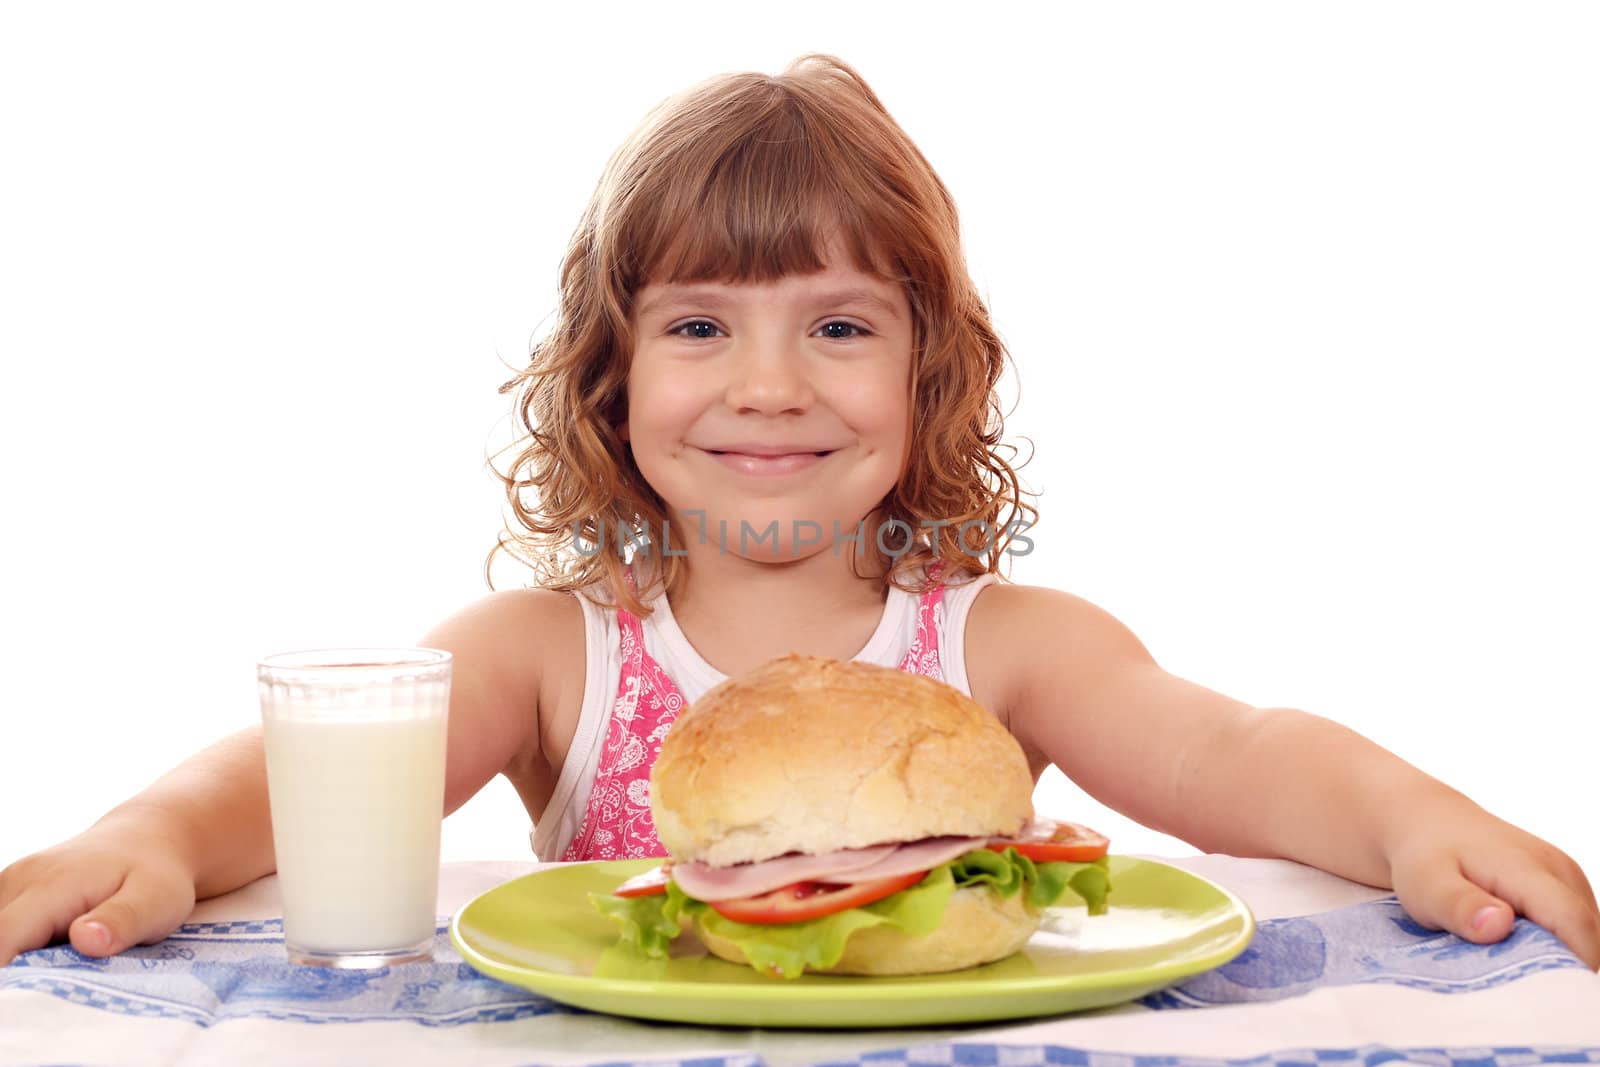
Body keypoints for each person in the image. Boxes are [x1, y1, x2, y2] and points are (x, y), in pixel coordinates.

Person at [1, 53, 1596, 971]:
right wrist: (143, 837)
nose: (769, 386)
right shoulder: (552, 649)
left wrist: (1407, 820)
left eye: (838, 327)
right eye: (699, 326)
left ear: (932, 374)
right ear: (610, 379)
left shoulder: (1009, 644)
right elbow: (313, 773)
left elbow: (1236, 754)